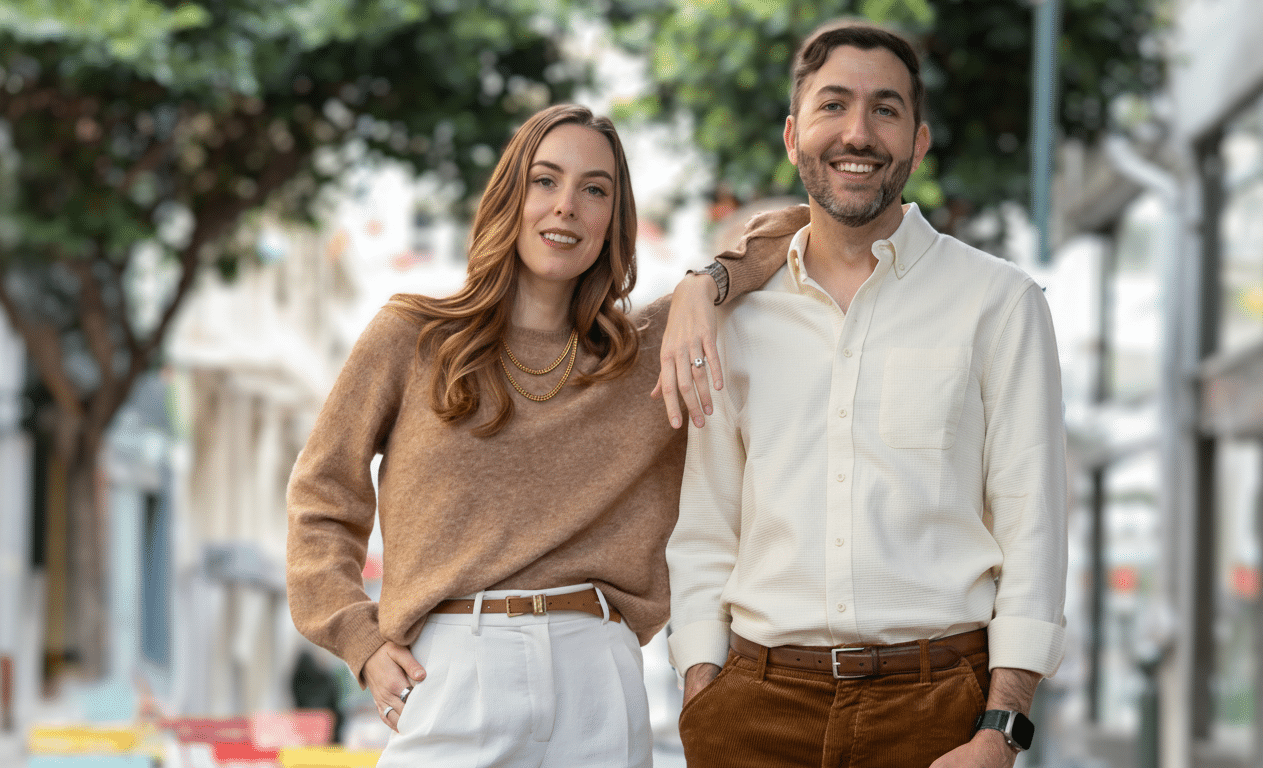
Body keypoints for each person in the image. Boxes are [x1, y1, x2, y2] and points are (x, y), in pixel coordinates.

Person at [285, 104, 784, 768]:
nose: (567, 207)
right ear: (509, 196)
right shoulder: (413, 337)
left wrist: (706, 284)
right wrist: (361, 642)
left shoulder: (645, 355)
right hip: (454, 666)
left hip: (597, 675)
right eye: (545, 181)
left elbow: (799, 225)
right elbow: (321, 498)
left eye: (595, 189)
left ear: (614, 219)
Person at [667, 21, 1067, 768]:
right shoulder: (735, 317)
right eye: (833, 106)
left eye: (885, 109)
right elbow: (706, 524)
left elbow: (1033, 526)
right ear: (794, 136)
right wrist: (702, 690)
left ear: (918, 142)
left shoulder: (998, 302)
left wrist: (1000, 729)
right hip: (753, 711)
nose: (858, 132)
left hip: (936, 711)